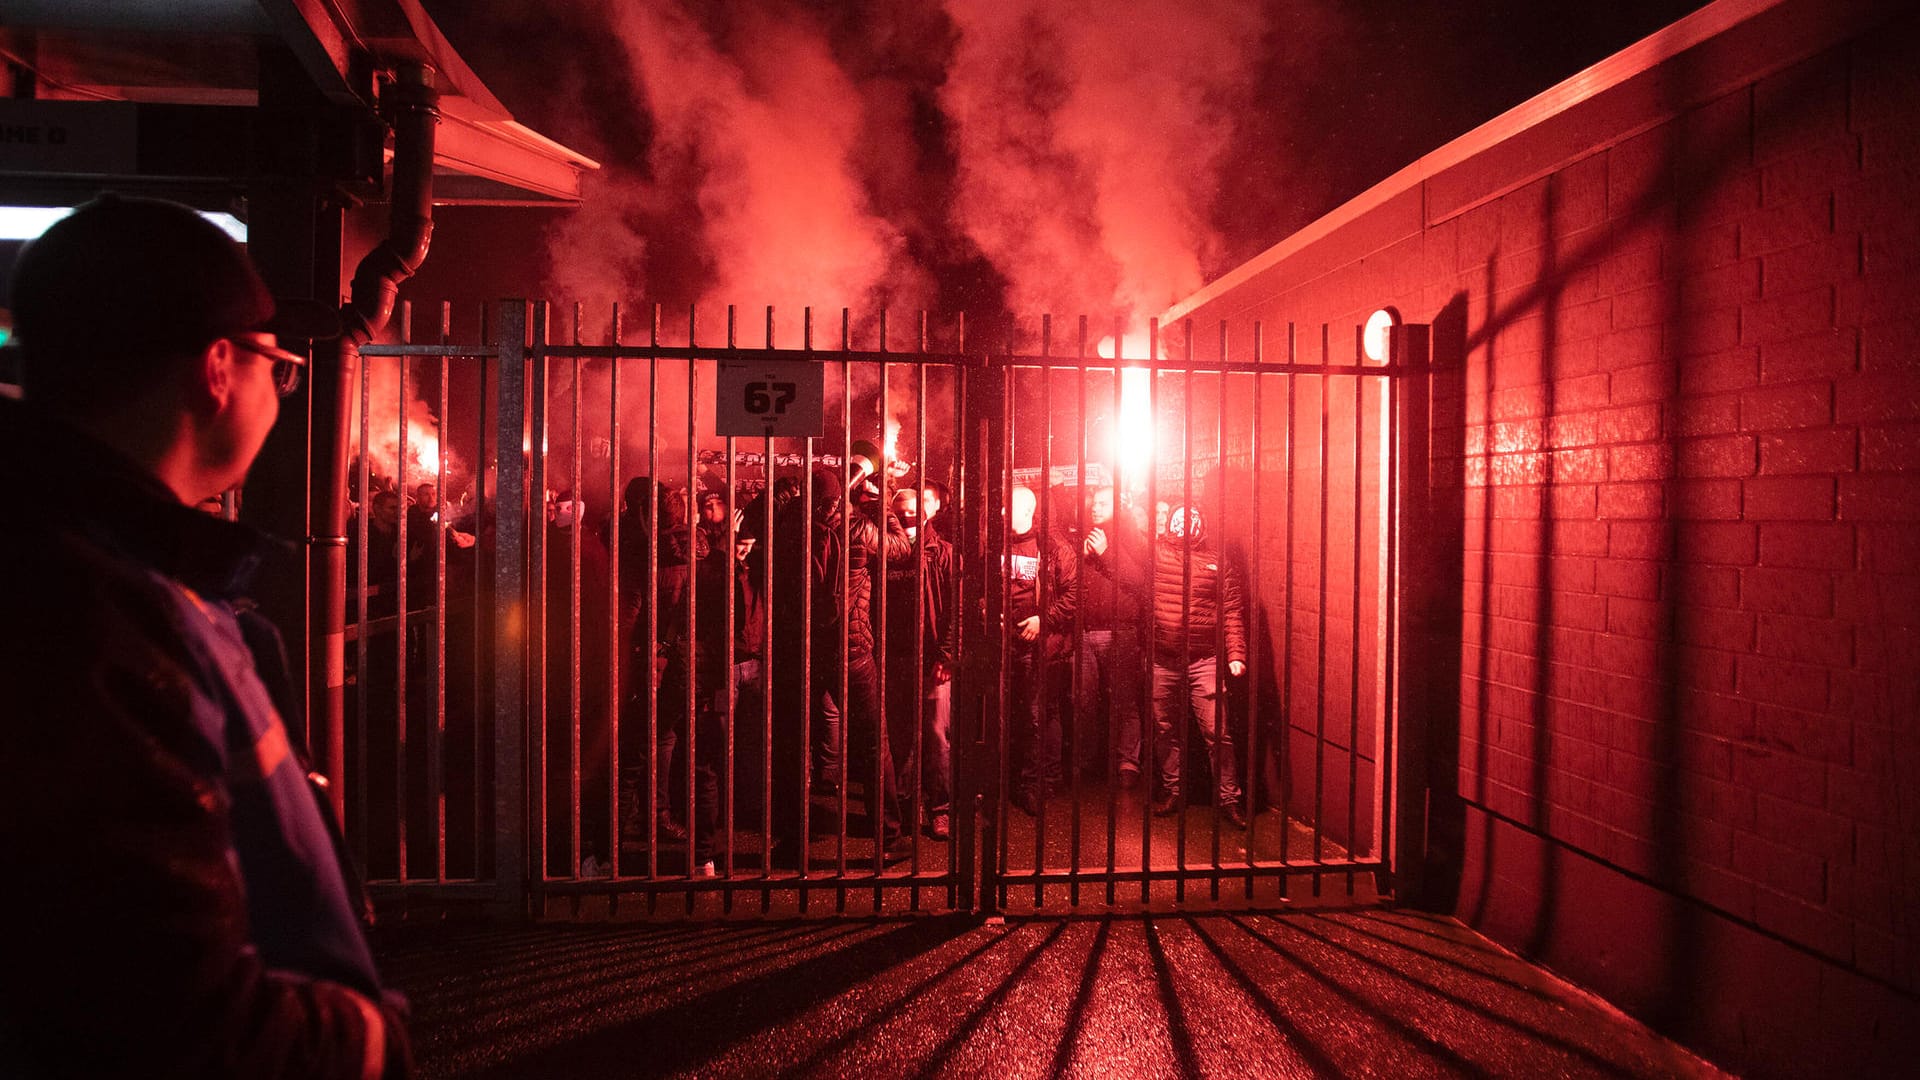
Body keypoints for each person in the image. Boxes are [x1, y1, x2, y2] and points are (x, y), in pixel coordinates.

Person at [0, 195, 411, 1076]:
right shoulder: (98, 619)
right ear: (217, 369)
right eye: (277, 362)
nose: (282, 386)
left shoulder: (101, 572)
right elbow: (162, 1012)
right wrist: (363, 1041)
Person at [1149, 505, 1249, 828]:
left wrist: (1236, 654)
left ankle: (1229, 799)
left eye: (1190, 521)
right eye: (1178, 521)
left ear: (1201, 525)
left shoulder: (1218, 562)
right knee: (1165, 729)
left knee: (1217, 733)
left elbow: (1232, 610)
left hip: (1204, 660)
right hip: (1163, 658)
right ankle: (1173, 790)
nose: (1184, 526)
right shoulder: (1156, 554)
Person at [883, 485, 959, 840]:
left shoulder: (942, 552)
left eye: (912, 510)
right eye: (899, 510)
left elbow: (956, 609)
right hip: (894, 657)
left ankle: (939, 809)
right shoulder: (886, 550)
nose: (906, 516)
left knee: (935, 736)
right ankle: (905, 809)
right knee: (899, 738)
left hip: (931, 660)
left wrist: (946, 655)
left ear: (926, 512)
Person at [1004, 484, 1078, 814]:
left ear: (1026, 511)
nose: (1003, 513)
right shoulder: (998, 544)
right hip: (1006, 643)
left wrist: (1041, 620)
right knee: (1015, 714)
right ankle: (1023, 779)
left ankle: (1035, 785)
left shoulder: (1053, 549)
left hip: (1039, 646)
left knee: (1036, 716)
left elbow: (1074, 597)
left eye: (1009, 507)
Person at [1073, 485, 1150, 788]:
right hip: (1085, 632)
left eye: (1103, 503)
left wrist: (1106, 553)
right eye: (1094, 502)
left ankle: (1128, 762)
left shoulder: (1132, 538)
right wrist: (1080, 557)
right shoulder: (1085, 535)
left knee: (1124, 701)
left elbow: (1140, 582)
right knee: (1085, 701)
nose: (1094, 507)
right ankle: (1087, 761)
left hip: (1120, 633)